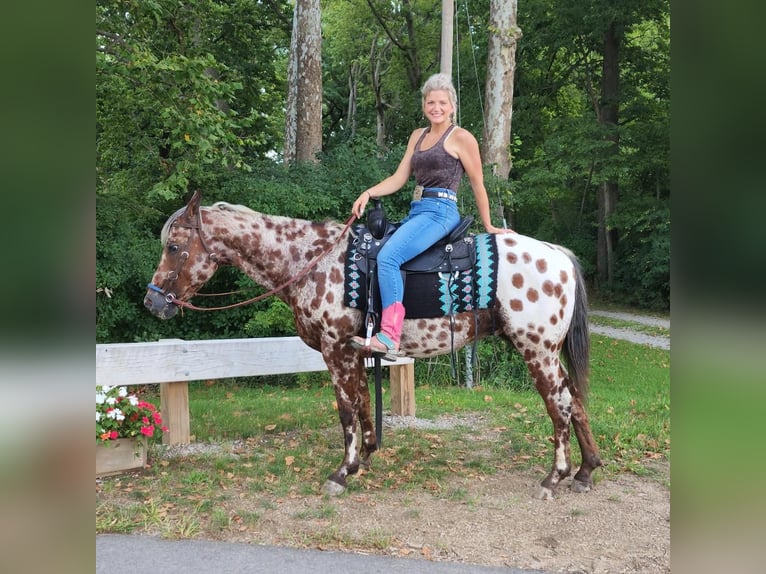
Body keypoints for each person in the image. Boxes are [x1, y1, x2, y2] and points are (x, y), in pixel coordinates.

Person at [350, 73, 513, 358]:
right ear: (424, 104)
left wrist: (489, 224)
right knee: (379, 253)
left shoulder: (461, 138)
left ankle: (389, 337)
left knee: (389, 257)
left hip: (441, 212)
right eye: (430, 102)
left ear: (452, 105)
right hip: (418, 211)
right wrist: (369, 192)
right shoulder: (418, 135)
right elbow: (400, 177)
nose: (435, 107)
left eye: (442, 102)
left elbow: (478, 183)